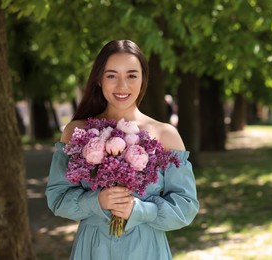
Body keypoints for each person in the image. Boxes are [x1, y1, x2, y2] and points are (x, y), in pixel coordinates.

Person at [46, 40, 199, 260]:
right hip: (92, 250)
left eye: (131, 75)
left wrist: (139, 210)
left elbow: (186, 207)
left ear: (143, 79)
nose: (122, 86)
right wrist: (96, 201)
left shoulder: (166, 135)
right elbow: (57, 198)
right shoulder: (77, 132)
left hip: (146, 250)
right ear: (99, 79)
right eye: (111, 75)